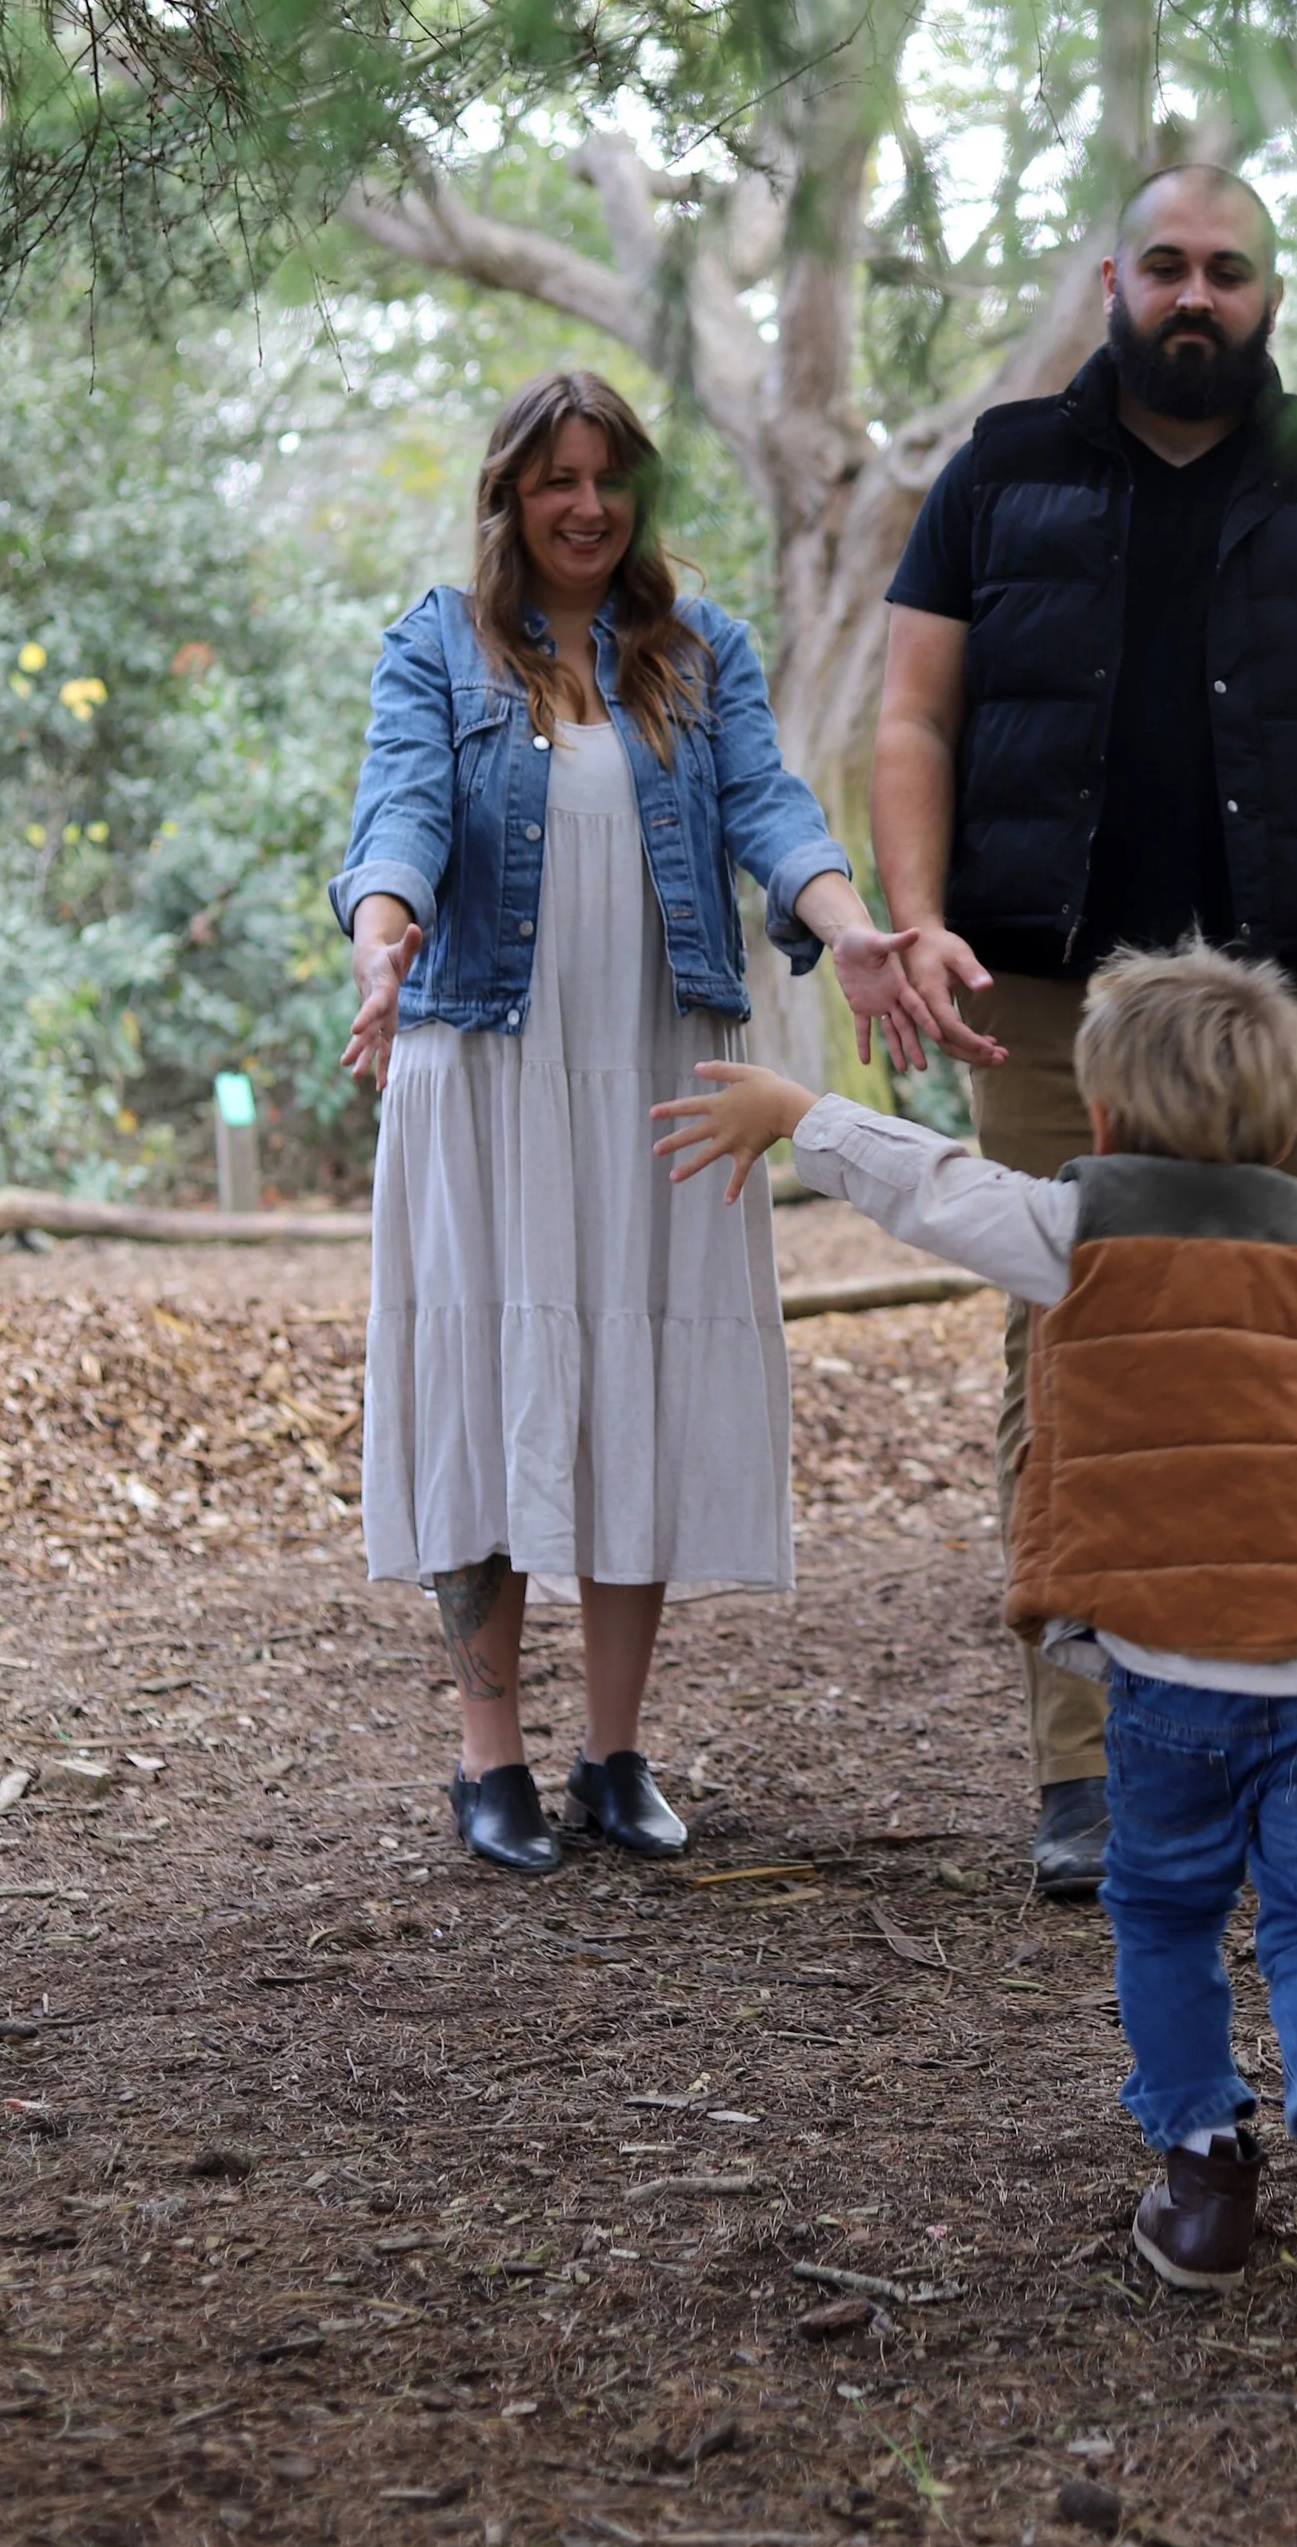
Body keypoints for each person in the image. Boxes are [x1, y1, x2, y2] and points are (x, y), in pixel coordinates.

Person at [654, 943, 1297, 2389]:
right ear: (1275, 1119)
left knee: (1167, 1912)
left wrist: (802, 1113)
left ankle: (1200, 2174)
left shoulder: (1073, 1221)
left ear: (1102, 1120)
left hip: (1171, 1667)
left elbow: (930, 1184)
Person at [872, 161, 1297, 1896]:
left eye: (1228, 269)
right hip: (1049, 996)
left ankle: (1281, 1724)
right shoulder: (999, 471)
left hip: (1279, 1003)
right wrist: (918, 918)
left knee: (1279, 1329)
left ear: (1269, 294)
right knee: (1071, 1331)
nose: (1194, 295)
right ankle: (1094, 1768)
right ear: (1111, 281)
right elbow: (913, 714)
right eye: (1164, 266)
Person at [335, 367, 929, 1879]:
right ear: (509, 497)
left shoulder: (695, 646)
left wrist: (845, 922)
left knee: (636, 1378)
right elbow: (396, 813)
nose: (586, 505)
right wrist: (383, 936)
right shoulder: (440, 643)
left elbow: (770, 808)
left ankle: (612, 1749)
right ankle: (491, 1758)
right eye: (556, 479)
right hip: (487, 1065)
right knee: (487, 1375)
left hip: (661, 1057)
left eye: (609, 478)